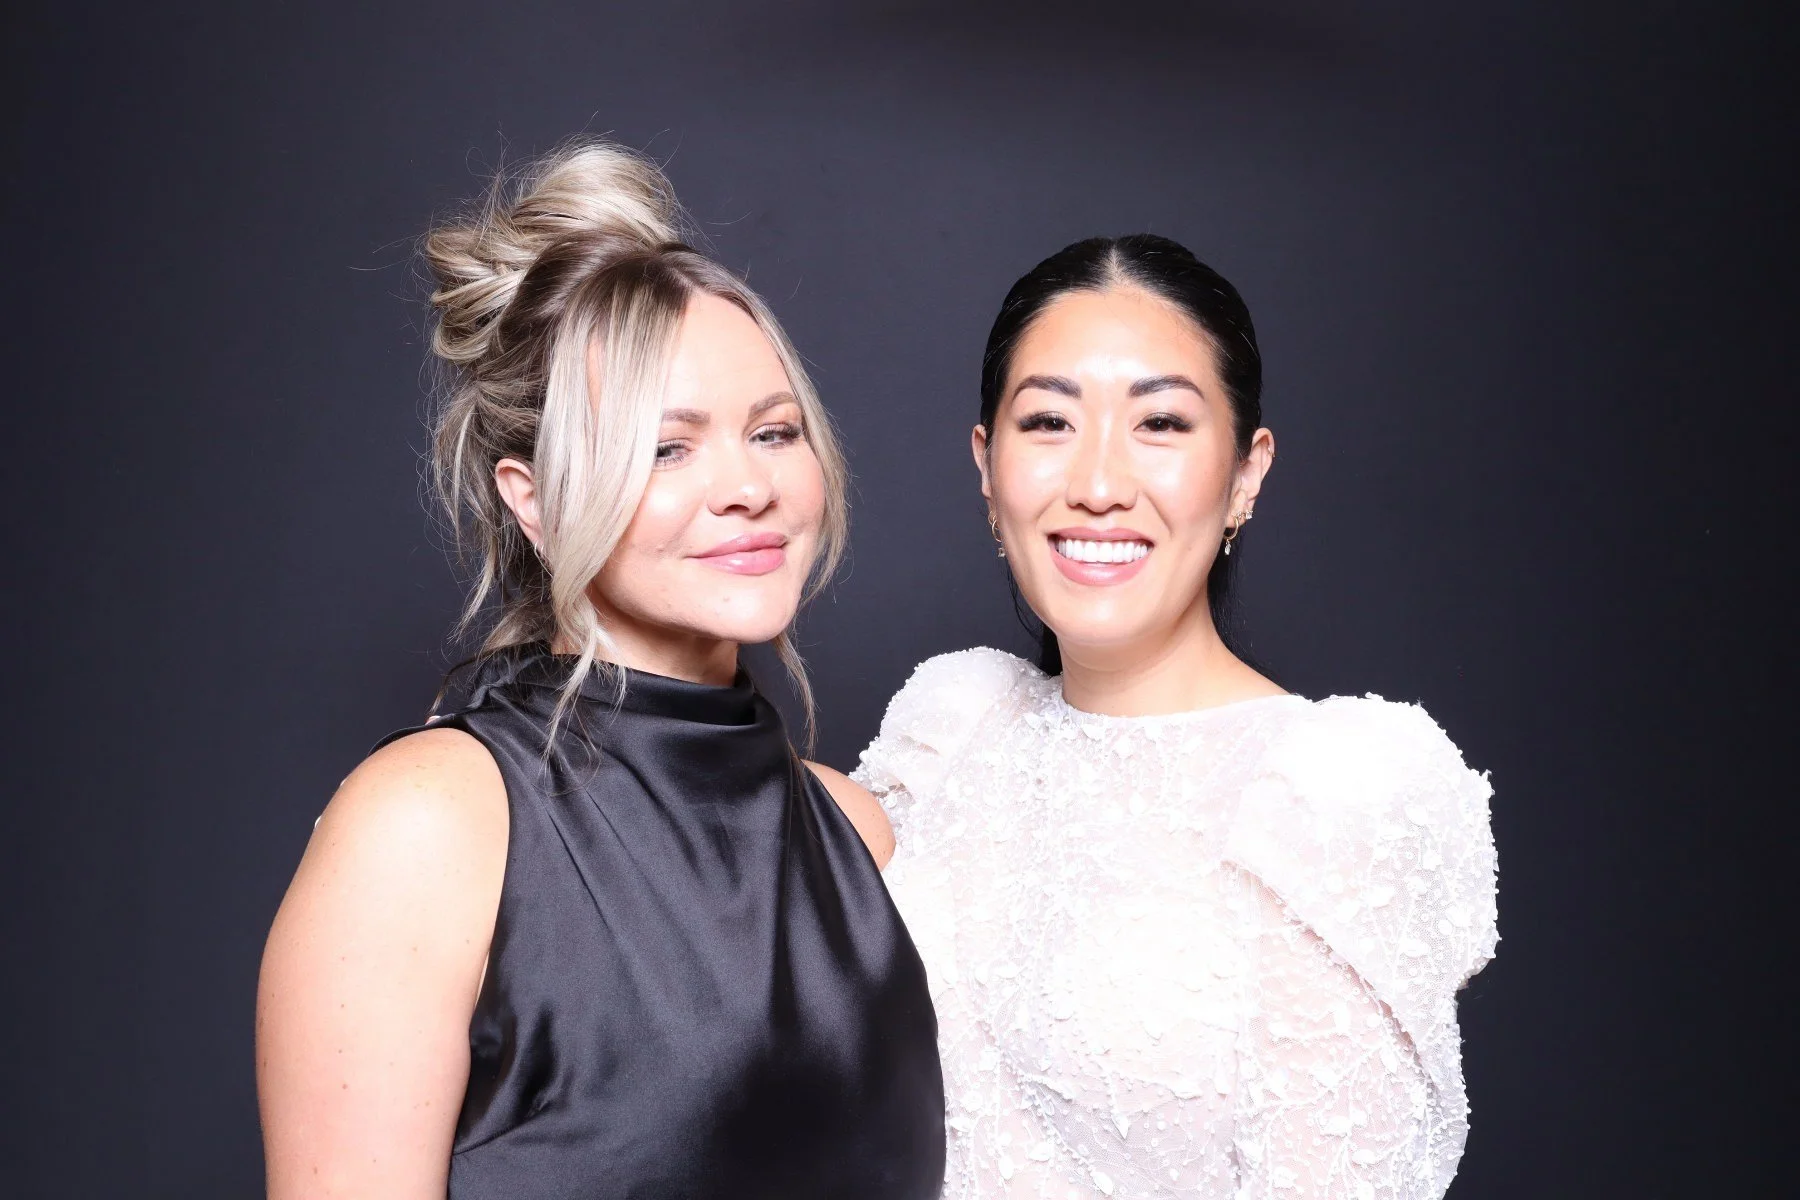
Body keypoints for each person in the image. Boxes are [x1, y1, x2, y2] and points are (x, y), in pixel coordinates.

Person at [256, 139, 944, 1199]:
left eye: (774, 432)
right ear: (532, 499)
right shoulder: (432, 826)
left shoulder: (860, 834)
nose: (747, 488)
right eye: (666, 448)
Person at [853, 235, 1499, 1198]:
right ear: (987, 468)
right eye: (1048, 423)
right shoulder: (953, 726)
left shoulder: (1335, 792)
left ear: (1245, 472)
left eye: (1159, 422)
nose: (1100, 484)